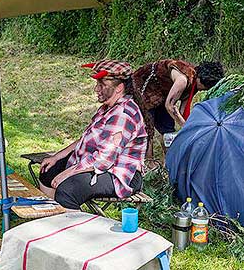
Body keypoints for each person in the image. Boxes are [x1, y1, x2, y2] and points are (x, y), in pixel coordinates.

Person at [39, 60, 147, 211]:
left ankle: (72, 230)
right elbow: (85, 138)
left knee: (68, 190)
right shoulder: (107, 108)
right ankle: (52, 217)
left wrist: (68, 173)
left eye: (102, 85)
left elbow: (104, 159)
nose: (96, 89)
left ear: (119, 88)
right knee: (47, 171)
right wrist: (56, 157)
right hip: (98, 164)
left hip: (120, 174)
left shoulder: (123, 114)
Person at [132, 59, 224, 159]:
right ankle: (148, 163)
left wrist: (192, 129)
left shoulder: (194, 85)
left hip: (163, 94)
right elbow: (170, 106)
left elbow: (182, 111)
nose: (205, 90)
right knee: (147, 128)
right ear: (202, 79)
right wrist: (186, 128)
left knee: (168, 130)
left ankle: (169, 160)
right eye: (206, 87)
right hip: (145, 88)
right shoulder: (183, 79)